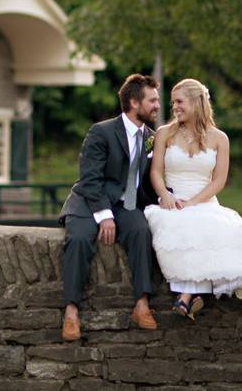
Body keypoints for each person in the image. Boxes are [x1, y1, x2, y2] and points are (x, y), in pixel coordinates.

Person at [144, 78, 242, 320]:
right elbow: (155, 171)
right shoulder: (165, 133)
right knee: (179, 227)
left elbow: (218, 181)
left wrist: (194, 203)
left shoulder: (220, 138)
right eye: (173, 102)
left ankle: (188, 296)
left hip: (204, 202)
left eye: (179, 101)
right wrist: (164, 194)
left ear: (196, 102)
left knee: (208, 228)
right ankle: (191, 296)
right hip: (172, 202)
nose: (175, 106)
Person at [59, 74, 161, 341]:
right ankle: (71, 311)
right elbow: (90, 179)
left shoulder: (152, 138)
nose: (157, 106)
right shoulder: (101, 131)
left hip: (126, 205)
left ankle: (141, 304)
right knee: (79, 239)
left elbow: (151, 182)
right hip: (89, 202)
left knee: (141, 231)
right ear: (133, 101)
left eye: (157, 100)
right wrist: (104, 216)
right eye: (152, 100)